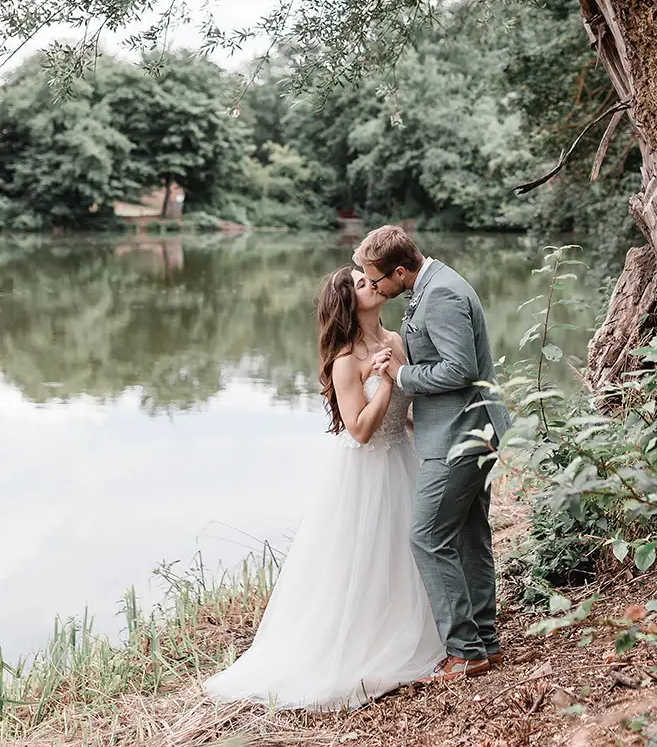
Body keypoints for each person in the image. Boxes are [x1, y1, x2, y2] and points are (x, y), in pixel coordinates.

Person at [202, 266, 445, 710]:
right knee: (360, 559)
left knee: (405, 551)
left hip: (402, 462)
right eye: (359, 282)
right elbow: (360, 430)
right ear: (349, 301)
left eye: (369, 276)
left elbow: (408, 416)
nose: (370, 281)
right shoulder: (345, 360)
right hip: (365, 472)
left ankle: (415, 631)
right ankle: (357, 642)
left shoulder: (396, 342)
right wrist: (386, 382)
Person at [357, 225, 513, 684]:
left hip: (459, 435)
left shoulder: (442, 294)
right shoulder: (433, 282)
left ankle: (465, 651)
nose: (377, 288)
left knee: (426, 536)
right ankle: (483, 643)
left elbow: (460, 368)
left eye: (377, 280)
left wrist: (403, 378)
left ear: (400, 270)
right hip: (470, 430)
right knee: (468, 536)